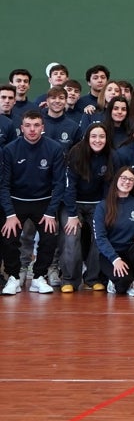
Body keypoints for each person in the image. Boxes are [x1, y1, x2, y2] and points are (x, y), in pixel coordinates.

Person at [0, 111, 66, 294]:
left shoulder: (54, 148)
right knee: (8, 236)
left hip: (43, 202)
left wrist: (51, 212)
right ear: (21, 128)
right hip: (16, 201)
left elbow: (60, 183)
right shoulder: (10, 150)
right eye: (28, 125)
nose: (32, 129)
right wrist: (9, 214)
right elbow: (3, 185)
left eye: (36, 125)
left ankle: (39, 277)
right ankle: (13, 277)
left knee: (50, 236)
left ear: (42, 128)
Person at [62, 123, 114, 292]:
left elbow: (109, 186)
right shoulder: (76, 154)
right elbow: (69, 186)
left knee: (99, 237)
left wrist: (105, 210)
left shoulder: (110, 156)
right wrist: (71, 214)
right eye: (93, 136)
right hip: (74, 203)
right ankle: (70, 280)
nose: (97, 140)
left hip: (97, 203)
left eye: (101, 137)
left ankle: (93, 278)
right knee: (72, 236)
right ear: (87, 138)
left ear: (106, 139)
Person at [93, 167, 134, 296]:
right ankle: (117, 281)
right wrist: (115, 259)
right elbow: (100, 237)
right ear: (116, 180)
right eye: (123, 178)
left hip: (131, 253)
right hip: (111, 256)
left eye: (131, 179)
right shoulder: (103, 206)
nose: (127, 182)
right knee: (122, 285)